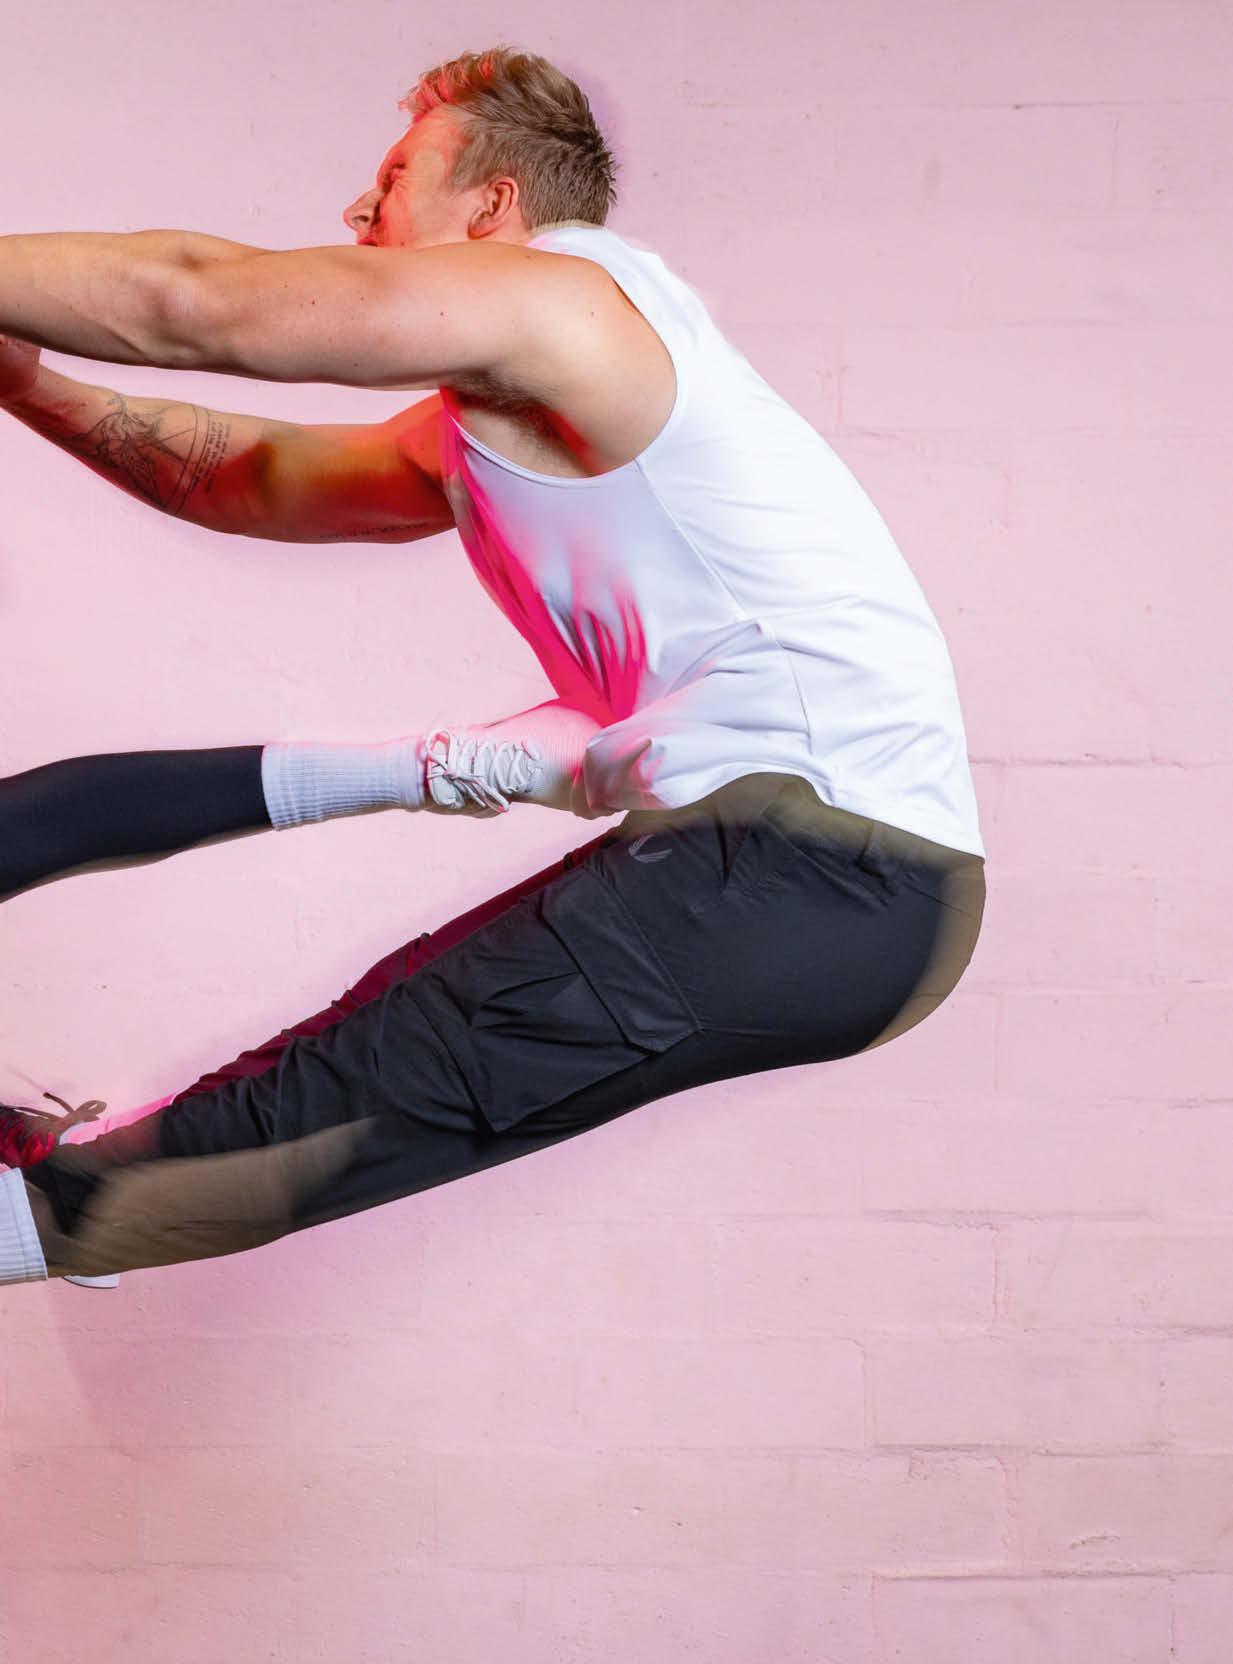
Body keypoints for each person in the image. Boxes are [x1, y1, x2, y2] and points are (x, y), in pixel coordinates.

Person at [0, 46, 987, 1291]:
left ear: (493, 207)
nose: (358, 211)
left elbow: (195, 300)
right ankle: (76, 1212)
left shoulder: (568, 307)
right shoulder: (517, 400)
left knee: (309, 1103)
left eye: (395, 177)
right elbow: (255, 479)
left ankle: (69, 1217)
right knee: (341, 1061)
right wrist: (29, 383)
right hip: (804, 878)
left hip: (813, 866)